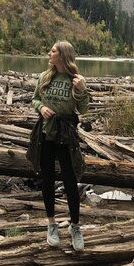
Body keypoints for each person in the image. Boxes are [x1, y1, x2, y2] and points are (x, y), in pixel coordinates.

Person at [27, 40, 89, 251]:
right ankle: (51, 224)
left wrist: (82, 90)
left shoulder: (76, 80)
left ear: (62, 55)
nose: (49, 53)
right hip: (45, 134)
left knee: (71, 181)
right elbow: (34, 99)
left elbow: (84, 109)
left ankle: (75, 226)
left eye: (52, 51)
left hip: (66, 136)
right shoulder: (45, 77)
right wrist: (41, 107)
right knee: (48, 179)